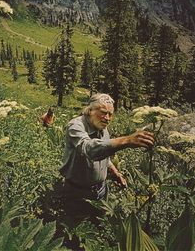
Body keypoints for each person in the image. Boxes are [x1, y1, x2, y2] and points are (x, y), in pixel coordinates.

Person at [59, 93, 154, 248]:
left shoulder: (103, 128)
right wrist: (127, 140)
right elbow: (89, 149)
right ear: (90, 110)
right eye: (103, 113)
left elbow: (104, 153)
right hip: (77, 192)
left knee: (97, 229)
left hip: (101, 190)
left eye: (110, 114)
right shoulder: (76, 126)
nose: (107, 118)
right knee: (75, 234)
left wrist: (114, 171)